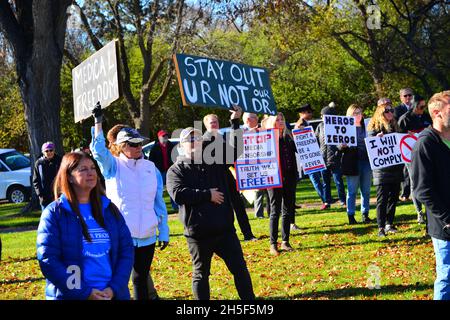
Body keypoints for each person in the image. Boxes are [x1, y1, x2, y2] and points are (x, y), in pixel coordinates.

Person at [166, 109, 255, 300]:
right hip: (199, 234)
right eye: (189, 140)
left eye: (197, 139)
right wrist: (207, 195)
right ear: (181, 146)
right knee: (201, 275)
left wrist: (235, 122)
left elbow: (235, 151)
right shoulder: (176, 170)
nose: (194, 142)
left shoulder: (215, 162)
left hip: (224, 230)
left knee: (240, 268)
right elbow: (178, 194)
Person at [90, 105, 169, 300]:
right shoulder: (112, 166)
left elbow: (159, 203)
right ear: (121, 146)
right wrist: (98, 122)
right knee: (117, 280)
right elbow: (98, 150)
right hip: (121, 235)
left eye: (139, 143)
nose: (138, 147)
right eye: (132, 144)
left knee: (140, 279)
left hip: (148, 237)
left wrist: (164, 230)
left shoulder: (151, 168)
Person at [36, 152, 134, 300]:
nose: (91, 173)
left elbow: (126, 251)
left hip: (111, 294)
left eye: (93, 168)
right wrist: (84, 293)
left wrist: (114, 288)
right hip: (73, 295)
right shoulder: (54, 213)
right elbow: (49, 259)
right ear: (69, 177)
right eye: (83, 169)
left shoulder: (109, 209)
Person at [411, 91, 450, 300]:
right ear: (437, 113)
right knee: (447, 276)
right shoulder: (425, 144)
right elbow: (422, 189)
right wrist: (447, 220)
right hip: (445, 226)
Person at [203, 113, 257, 241]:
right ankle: (226, 235)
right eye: (211, 122)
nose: (214, 124)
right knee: (221, 208)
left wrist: (236, 123)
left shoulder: (222, 137)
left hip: (226, 175)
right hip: (213, 178)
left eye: (216, 122)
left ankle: (248, 234)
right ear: (206, 125)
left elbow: (233, 152)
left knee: (238, 205)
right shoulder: (204, 141)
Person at [367, 99, 403, 237]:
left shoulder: (396, 125)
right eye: (386, 110)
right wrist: (376, 139)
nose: (390, 113)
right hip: (381, 170)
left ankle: (389, 224)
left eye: (391, 110)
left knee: (393, 198)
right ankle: (381, 227)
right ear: (380, 112)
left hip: (395, 168)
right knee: (382, 199)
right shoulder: (374, 127)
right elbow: (370, 146)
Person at [263, 112, 297, 256]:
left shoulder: (289, 137)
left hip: (289, 177)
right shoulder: (268, 139)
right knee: (275, 211)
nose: (281, 121)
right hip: (274, 178)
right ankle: (273, 243)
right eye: (278, 119)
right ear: (272, 122)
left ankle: (285, 241)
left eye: (282, 119)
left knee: (288, 209)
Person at [398, 94, 432, 224]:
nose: (423, 109)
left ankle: (429, 210)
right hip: (411, 157)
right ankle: (419, 212)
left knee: (428, 180)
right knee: (415, 182)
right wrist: (407, 135)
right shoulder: (405, 119)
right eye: (420, 106)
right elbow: (399, 139)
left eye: (424, 106)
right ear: (413, 105)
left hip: (427, 154)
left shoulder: (426, 116)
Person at [340, 104, 373, 225]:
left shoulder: (368, 125)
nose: (358, 115)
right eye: (355, 113)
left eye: (359, 112)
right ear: (349, 115)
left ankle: (365, 214)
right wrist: (342, 146)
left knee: (366, 190)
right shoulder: (344, 128)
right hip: (352, 162)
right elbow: (338, 147)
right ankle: (351, 215)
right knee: (352, 190)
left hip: (366, 161)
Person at [294, 104, 327, 209]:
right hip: (307, 158)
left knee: (317, 178)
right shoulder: (300, 124)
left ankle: (325, 198)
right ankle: (325, 199)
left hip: (311, 156)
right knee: (315, 179)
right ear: (303, 113)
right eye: (309, 112)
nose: (311, 114)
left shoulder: (306, 123)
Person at [315, 106, 347, 209]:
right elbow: (315, 140)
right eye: (322, 115)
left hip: (335, 158)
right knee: (325, 183)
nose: (322, 117)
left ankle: (343, 200)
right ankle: (326, 202)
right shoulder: (320, 126)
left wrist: (340, 148)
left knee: (338, 181)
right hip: (323, 159)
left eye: (324, 115)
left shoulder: (336, 126)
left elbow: (341, 141)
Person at [242, 112, 270, 219]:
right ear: (248, 120)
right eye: (255, 117)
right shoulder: (241, 131)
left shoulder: (260, 129)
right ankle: (259, 214)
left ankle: (270, 211)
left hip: (264, 163)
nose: (257, 118)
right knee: (258, 190)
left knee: (268, 187)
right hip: (250, 166)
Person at [148, 129, 179, 211]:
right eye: (163, 136)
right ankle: (159, 208)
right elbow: (151, 161)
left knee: (172, 188)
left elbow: (176, 157)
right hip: (159, 172)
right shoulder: (155, 148)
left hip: (170, 171)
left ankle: (175, 206)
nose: (165, 137)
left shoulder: (171, 146)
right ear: (159, 138)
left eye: (166, 136)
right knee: (158, 190)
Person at [394, 88, 415, 201]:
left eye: (410, 95)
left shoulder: (417, 108)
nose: (408, 98)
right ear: (401, 98)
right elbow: (397, 125)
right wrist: (406, 132)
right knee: (405, 168)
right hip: (403, 141)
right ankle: (405, 193)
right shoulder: (397, 110)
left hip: (415, 140)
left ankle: (413, 191)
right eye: (405, 96)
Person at [33, 141, 62, 210]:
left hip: (59, 195)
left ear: (54, 150)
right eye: (46, 151)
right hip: (45, 198)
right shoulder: (39, 163)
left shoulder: (60, 161)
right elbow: (36, 181)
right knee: (47, 218)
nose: (49, 152)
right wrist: (40, 194)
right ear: (43, 152)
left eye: (51, 150)